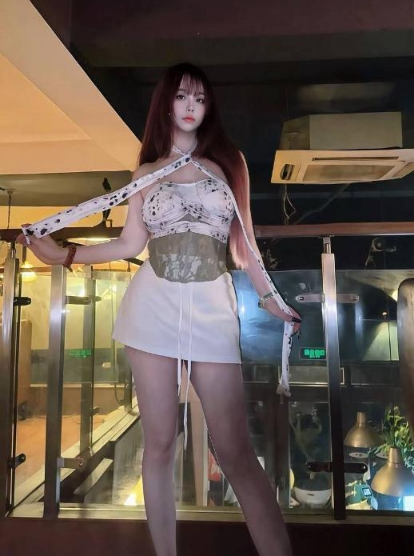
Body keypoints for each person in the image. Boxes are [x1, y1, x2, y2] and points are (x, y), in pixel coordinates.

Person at [17, 62, 301, 556]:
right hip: (152, 307)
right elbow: (129, 245)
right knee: (161, 444)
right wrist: (64, 255)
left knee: (236, 451)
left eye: (200, 99)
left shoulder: (228, 163)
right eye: (182, 96)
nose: (191, 106)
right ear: (166, 103)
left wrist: (271, 299)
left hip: (213, 308)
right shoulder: (146, 173)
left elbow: (247, 244)